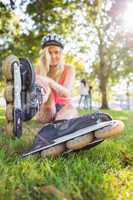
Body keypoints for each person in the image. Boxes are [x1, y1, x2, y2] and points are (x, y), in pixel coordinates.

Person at [35, 33, 79, 124]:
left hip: (64, 106)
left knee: (64, 119)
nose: (53, 56)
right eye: (49, 53)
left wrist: (48, 81)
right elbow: (39, 94)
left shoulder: (69, 69)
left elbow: (66, 93)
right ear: (44, 54)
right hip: (46, 107)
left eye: (56, 52)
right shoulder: (38, 69)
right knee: (46, 95)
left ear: (61, 53)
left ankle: (62, 121)